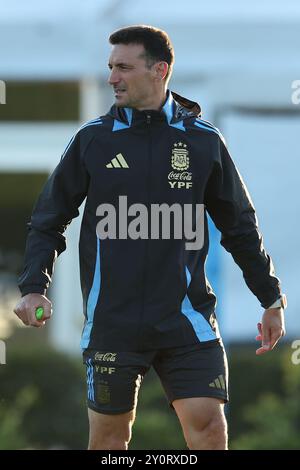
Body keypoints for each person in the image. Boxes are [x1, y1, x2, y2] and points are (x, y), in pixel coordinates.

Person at [14, 25, 287, 450]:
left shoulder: (203, 141)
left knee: (209, 428)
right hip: (113, 323)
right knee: (109, 440)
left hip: (187, 321)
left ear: (159, 70)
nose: (111, 78)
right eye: (109, 67)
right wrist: (33, 288)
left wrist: (269, 298)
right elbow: (48, 219)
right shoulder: (92, 140)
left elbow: (240, 227)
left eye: (123, 67)